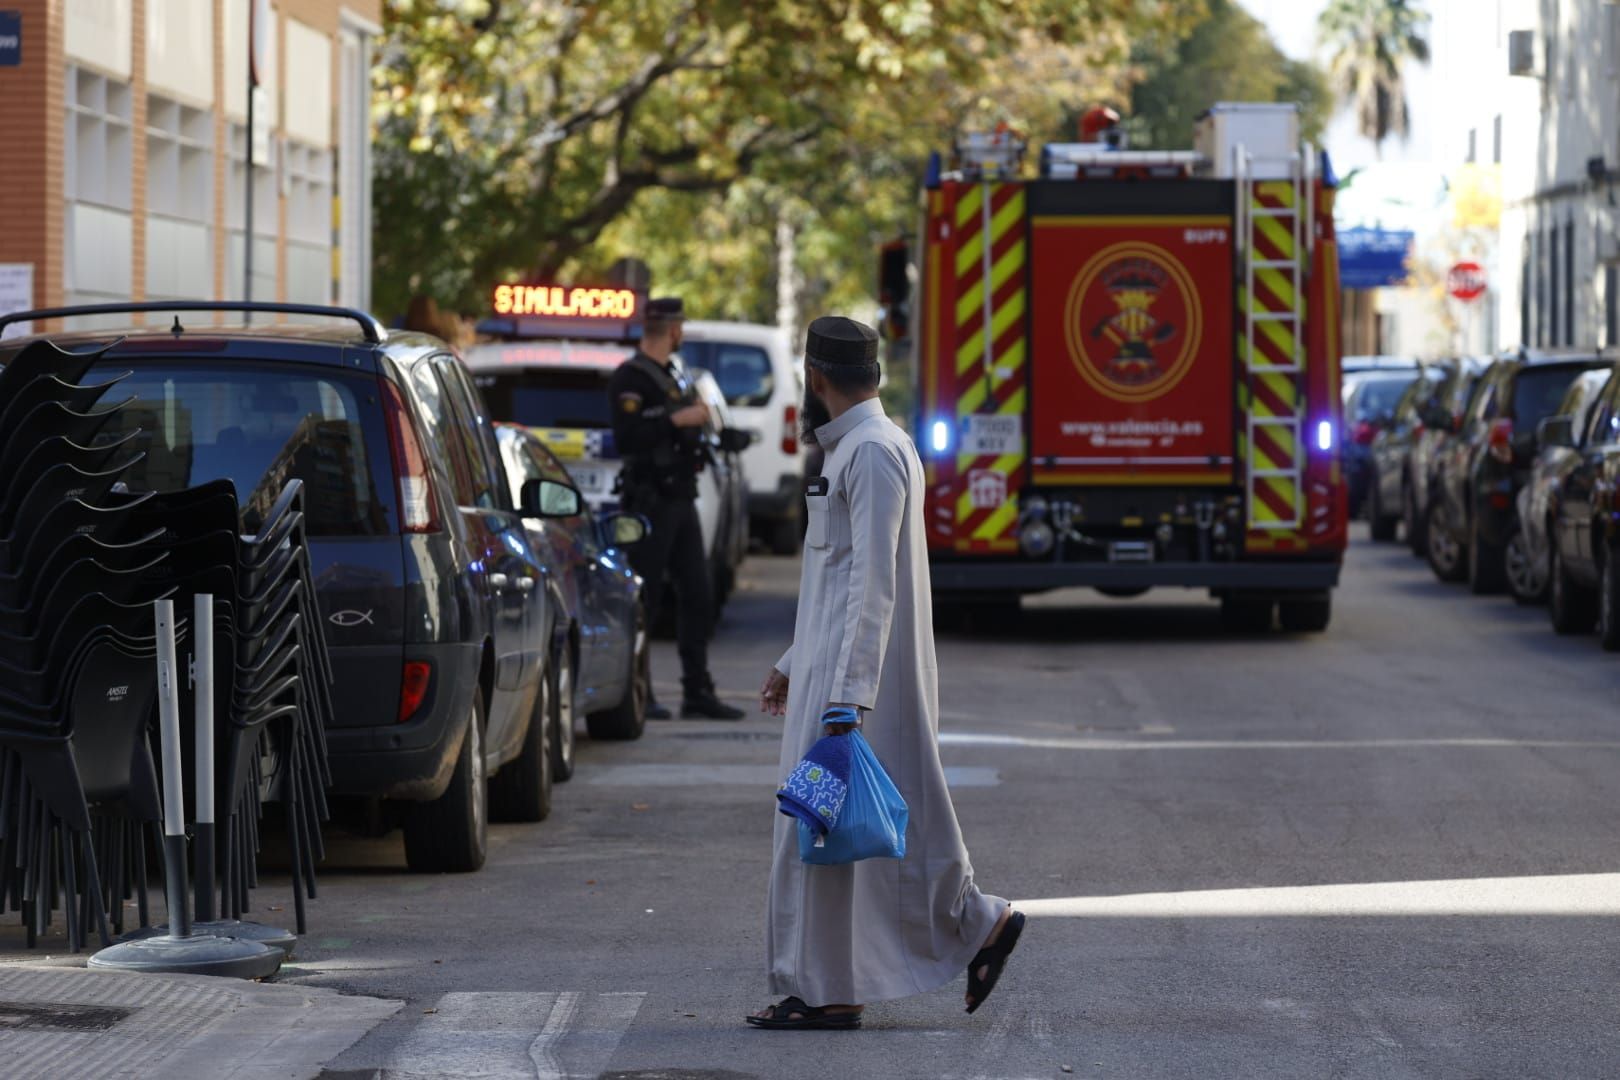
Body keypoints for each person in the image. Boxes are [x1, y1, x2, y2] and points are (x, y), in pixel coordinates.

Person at [748, 316, 1024, 1030]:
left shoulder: (870, 453)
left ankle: (952, 933)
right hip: (835, 671)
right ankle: (831, 987)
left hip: (857, 683)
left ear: (815, 380)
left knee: (837, 833)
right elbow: (834, 581)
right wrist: (791, 662)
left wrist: (848, 697)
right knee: (830, 840)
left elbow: (873, 584)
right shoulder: (859, 449)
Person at [608, 297, 744, 721]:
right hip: (650, 500)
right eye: (680, 326)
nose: (682, 333)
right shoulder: (631, 379)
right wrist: (675, 421)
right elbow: (628, 437)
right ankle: (638, 691)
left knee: (698, 595)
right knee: (646, 598)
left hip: (681, 498)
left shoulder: (675, 375)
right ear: (671, 330)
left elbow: (688, 432)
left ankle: (697, 691)